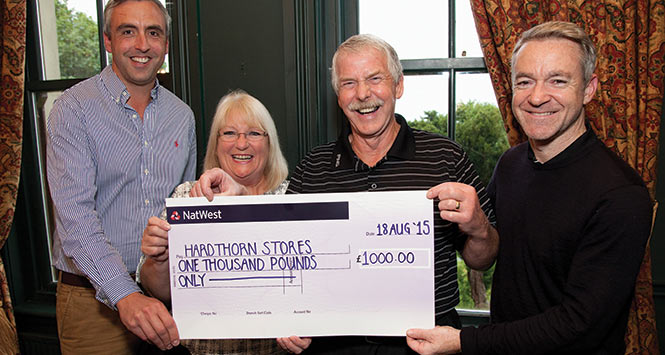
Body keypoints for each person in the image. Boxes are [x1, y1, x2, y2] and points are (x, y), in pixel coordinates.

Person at [194, 34, 499, 355]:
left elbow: (483, 257)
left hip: (426, 345)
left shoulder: (446, 157)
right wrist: (238, 201)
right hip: (332, 345)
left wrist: (478, 226)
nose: (363, 94)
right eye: (349, 83)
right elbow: (281, 257)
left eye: (374, 79)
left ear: (398, 86)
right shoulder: (313, 168)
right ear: (338, 96)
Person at [405, 21, 653, 355]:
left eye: (558, 81)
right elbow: (486, 258)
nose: (537, 97)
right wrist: (477, 227)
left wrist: (464, 341)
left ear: (589, 89)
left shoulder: (620, 194)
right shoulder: (510, 165)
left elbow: (579, 325)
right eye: (525, 81)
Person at [46, 0, 197, 353]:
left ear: (166, 45)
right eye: (128, 31)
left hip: (165, 299)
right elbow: (76, 220)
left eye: (153, 32)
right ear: (108, 41)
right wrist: (125, 294)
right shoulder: (73, 109)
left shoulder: (182, 116)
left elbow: (182, 213)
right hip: (91, 305)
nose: (142, 44)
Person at [139, 89, 289, 354]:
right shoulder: (187, 196)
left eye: (254, 133)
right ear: (216, 143)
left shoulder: (290, 197)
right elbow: (161, 292)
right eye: (229, 133)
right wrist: (160, 258)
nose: (241, 143)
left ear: (269, 142)